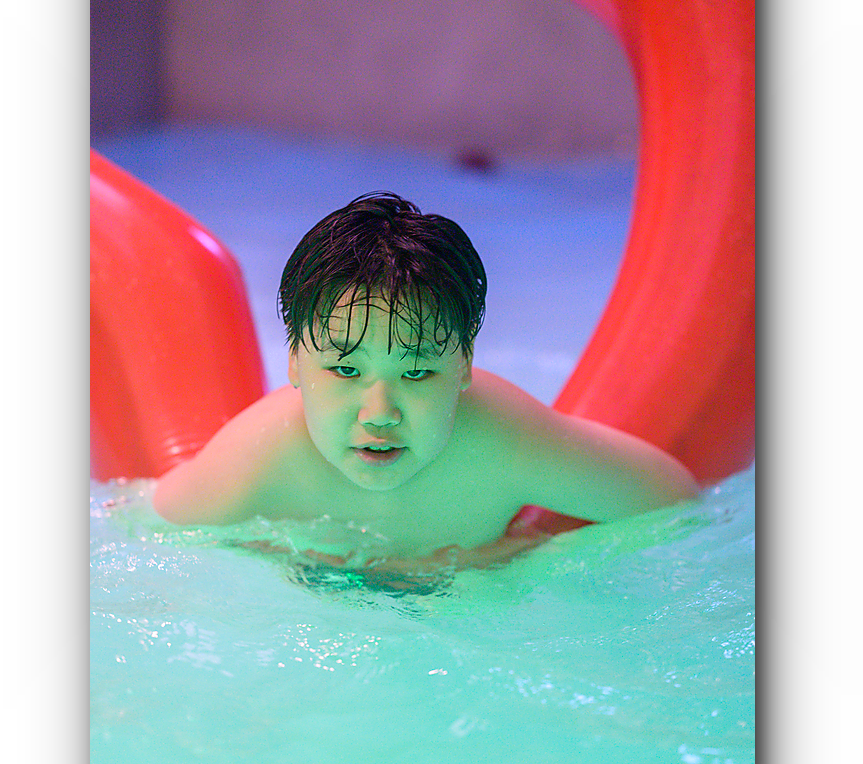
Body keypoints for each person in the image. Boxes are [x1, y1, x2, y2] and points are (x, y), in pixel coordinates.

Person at [153, 192, 698, 586]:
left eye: (416, 374)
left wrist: (520, 556)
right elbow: (147, 531)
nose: (379, 413)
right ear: (294, 361)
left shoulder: (502, 443)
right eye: (345, 371)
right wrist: (275, 556)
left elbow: (669, 501)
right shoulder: (260, 457)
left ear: (464, 367)